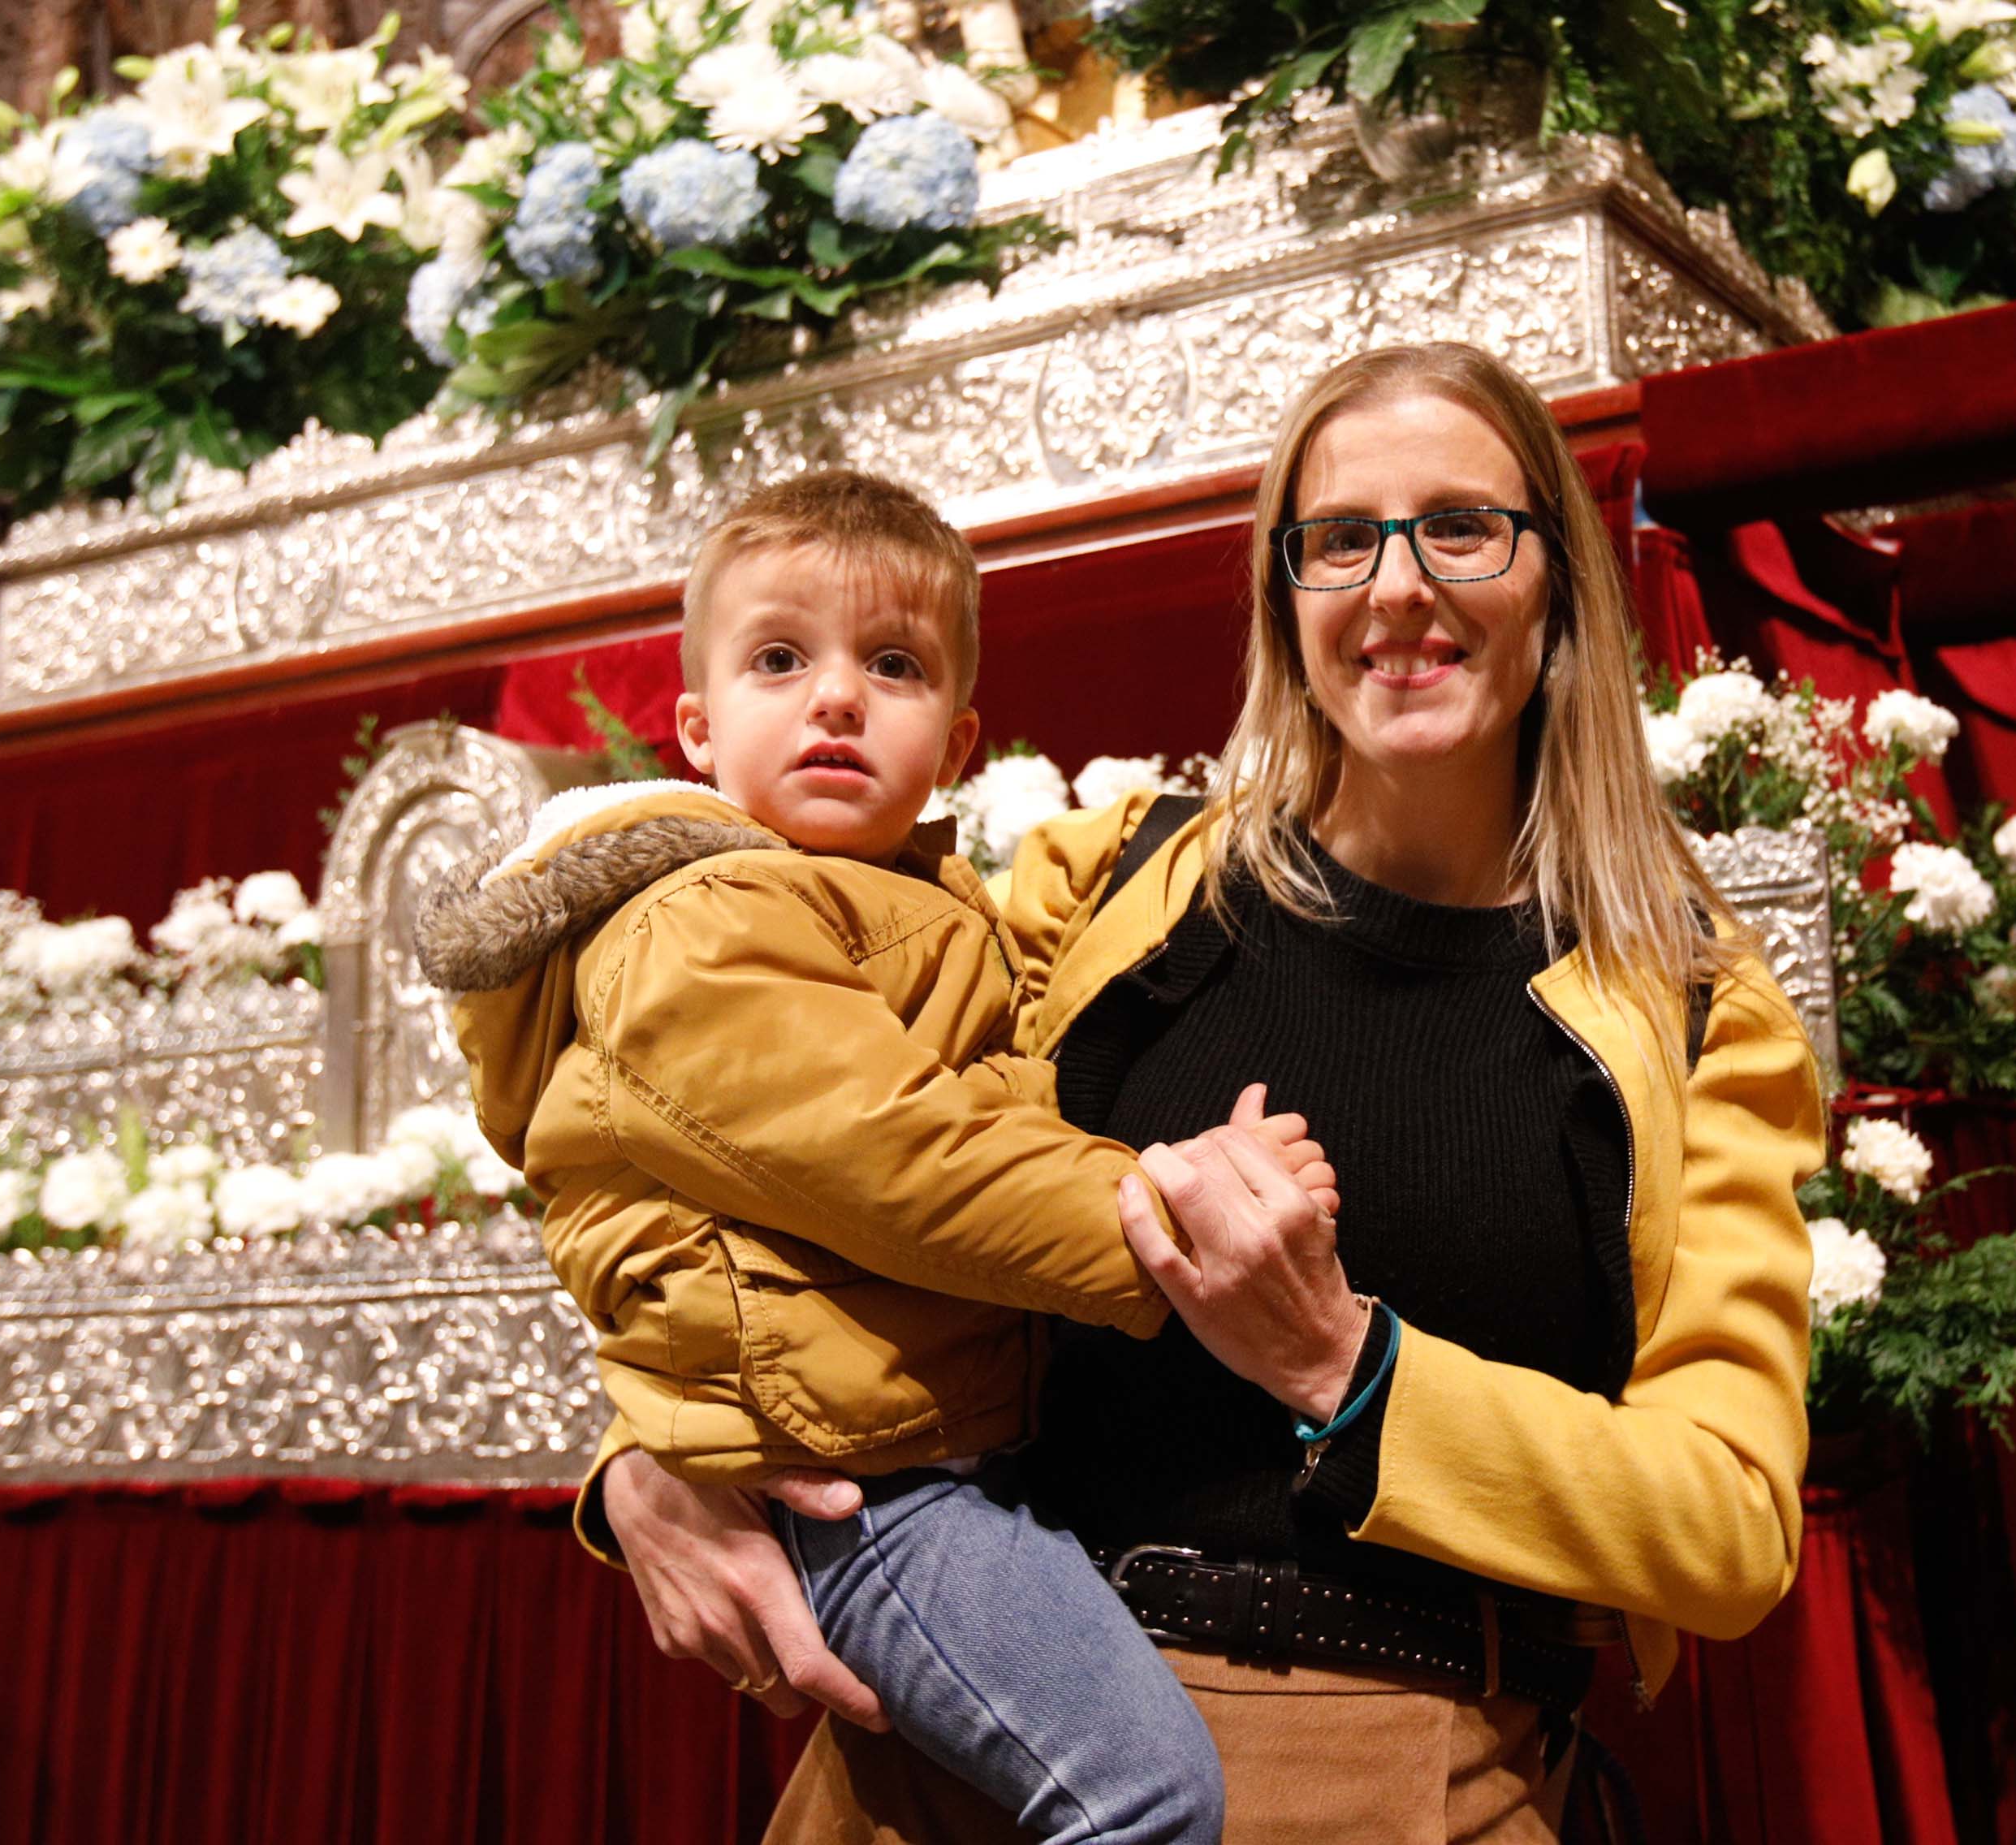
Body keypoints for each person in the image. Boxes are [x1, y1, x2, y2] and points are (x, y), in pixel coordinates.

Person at [589, 344, 1828, 1843]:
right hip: (969, 1736)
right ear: (1282, 596)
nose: (1397, 588)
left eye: (1459, 526)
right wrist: (640, 1462)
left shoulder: (1693, 1015)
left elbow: (1729, 1527)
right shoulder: (1099, 886)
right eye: (1338, 540)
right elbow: (776, 1129)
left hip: (1383, 1765)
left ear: (1556, 576)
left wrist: (1341, 1367)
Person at [415, 469, 1348, 1845]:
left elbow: (993, 1109)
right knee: (1143, 1797)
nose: (837, 697)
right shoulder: (704, 918)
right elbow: (899, 1156)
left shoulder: (907, 907)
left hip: (926, 1443)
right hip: (862, 1485)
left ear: (958, 739)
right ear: (695, 727)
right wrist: (1176, 1219)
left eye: (891, 665)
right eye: (780, 660)